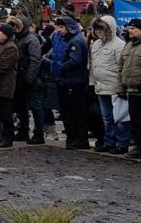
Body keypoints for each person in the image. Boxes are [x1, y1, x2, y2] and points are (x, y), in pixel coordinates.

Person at [89, 15, 129, 154]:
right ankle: (109, 141)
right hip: (100, 86)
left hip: (114, 87)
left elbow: (122, 67)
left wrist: (121, 86)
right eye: (97, 29)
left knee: (119, 117)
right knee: (107, 117)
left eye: (102, 28)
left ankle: (122, 143)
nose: (99, 31)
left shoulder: (119, 45)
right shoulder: (96, 44)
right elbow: (93, 65)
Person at [49, 16, 89, 150]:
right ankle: (73, 138)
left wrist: (59, 67)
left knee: (75, 112)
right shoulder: (67, 39)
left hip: (74, 82)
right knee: (67, 112)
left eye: (61, 27)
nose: (58, 30)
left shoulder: (76, 41)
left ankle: (79, 138)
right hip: (66, 80)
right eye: (58, 27)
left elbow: (75, 61)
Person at [8, 15, 45, 144]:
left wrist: (29, 78)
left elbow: (35, 60)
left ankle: (39, 132)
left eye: (16, 26)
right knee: (20, 106)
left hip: (30, 79)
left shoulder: (31, 39)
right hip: (18, 78)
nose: (15, 28)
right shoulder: (15, 39)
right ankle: (23, 130)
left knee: (35, 106)